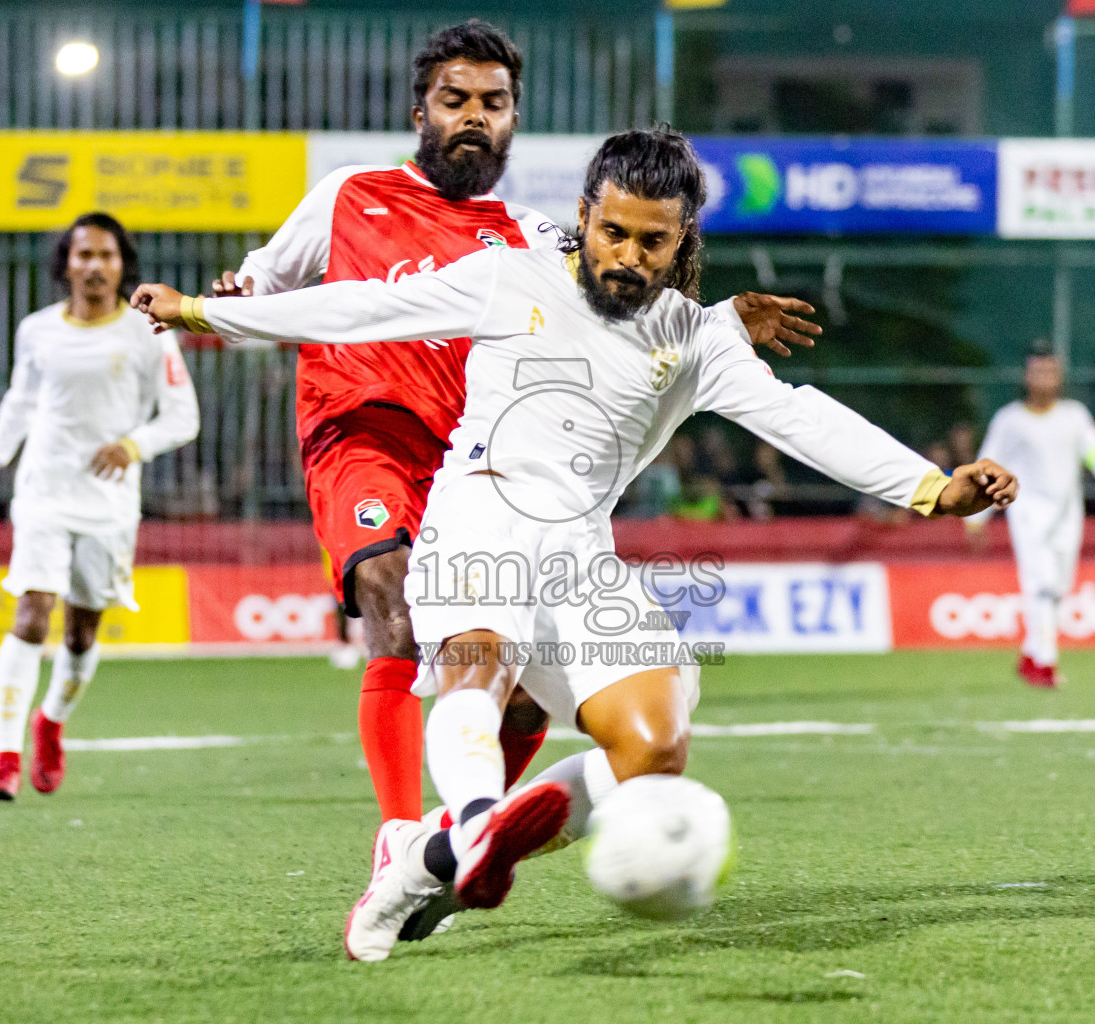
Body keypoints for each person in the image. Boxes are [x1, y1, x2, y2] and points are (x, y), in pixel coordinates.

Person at [132, 126, 1017, 961]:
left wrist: (930, 487)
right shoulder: (507, 277)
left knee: (655, 753)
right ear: (585, 214)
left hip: (581, 554)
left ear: (683, 244)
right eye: (613, 232)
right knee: (480, 662)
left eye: (652, 242)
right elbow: (363, 307)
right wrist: (203, 313)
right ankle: (480, 825)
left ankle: (435, 857)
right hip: (477, 516)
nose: (627, 256)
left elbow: (798, 415)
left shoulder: (700, 337)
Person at [209, 22, 822, 836]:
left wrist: (723, 318)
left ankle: (464, 830)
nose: (474, 116)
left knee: (527, 682)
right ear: (419, 109)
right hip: (365, 432)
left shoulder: (530, 235)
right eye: (454, 99)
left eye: (493, 103)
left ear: (513, 116)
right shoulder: (348, 195)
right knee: (391, 607)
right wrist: (233, 294)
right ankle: (400, 842)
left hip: (478, 461)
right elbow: (270, 278)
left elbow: (630, 286)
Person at [0, 212, 200, 800]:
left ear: (123, 265)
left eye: (106, 256)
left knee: (81, 632)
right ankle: (5, 758)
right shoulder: (38, 330)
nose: (94, 265)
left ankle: (51, 722)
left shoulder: (149, 331)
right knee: (31, 614)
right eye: (83, 254)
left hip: (109, 505)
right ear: (66, 263)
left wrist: (132, 445)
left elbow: (182, 417)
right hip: (43, 491)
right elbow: (20, 401)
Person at [966, 344, 1095, 688]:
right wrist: (974, 518)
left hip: (1067, 514)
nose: (1045, 377)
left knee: (1059, 587)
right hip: (1027, 513)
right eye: (1038, 371)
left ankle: (1031, 653)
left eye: (1051, 371)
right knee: (1040, 585)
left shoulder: (1074, 415)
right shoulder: (1010, 420)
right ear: (1027, 376)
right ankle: (1045, 663)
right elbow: (987, 465)